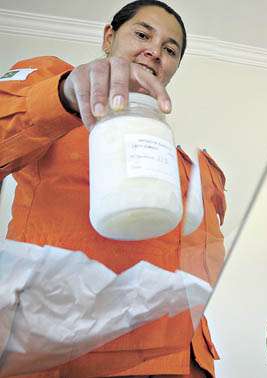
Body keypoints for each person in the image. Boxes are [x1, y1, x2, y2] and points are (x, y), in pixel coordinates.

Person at [0, 1, 227, 377]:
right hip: (65, 353)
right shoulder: (55, 89)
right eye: (142, 34)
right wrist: (64, 97)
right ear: (109, 37)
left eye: (170, 50)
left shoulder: (189, 167)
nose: (155, 51)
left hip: (174, 361)